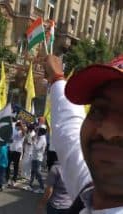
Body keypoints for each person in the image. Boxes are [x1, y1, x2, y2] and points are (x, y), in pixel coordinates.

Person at [45, 55, 123, 212]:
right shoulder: (87, 191)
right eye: (98, 110)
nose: (107, 132)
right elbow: (69, 131)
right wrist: (57, 78)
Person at [28, 124, 47, 193]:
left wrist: (33, 141)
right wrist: (34, 139)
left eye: (38, 130)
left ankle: (42, 187)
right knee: (33, 172)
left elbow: (37, 147)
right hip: (35, 157)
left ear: (41, 131)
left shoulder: (42, 139)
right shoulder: (40, 137)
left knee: (38, 173)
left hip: (38, 158)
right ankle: (30, 185)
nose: (37, 131)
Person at [7, 121, 25, 186]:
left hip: (18, 151)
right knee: (8, 165)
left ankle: (14, 180)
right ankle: (7, 179)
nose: (17, 127)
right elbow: (9, 139)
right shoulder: (13, 131)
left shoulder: (21, 132)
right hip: (11, 149)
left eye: (19, 126)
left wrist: (21, 125)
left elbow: (24, 133)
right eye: (17, 126)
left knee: (16, 166)